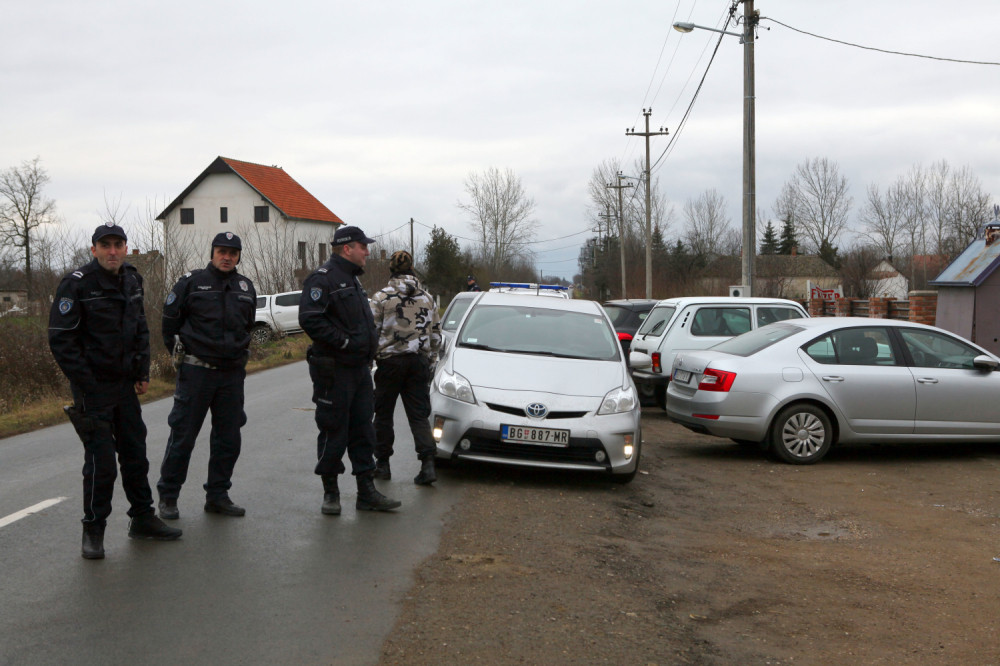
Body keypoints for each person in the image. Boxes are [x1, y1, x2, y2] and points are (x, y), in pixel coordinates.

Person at [48, 223, 182, 559]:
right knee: (101, 463)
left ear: (124, 248)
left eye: (118, 245)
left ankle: (142, 518)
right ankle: (93, 530)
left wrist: (141, 371)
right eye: (105, 245)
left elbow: (139, 328)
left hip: (124, 386)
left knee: (135, 454)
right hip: (92, 389)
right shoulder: (76, 284)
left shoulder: (132, 280)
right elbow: (62, 341)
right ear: (94, 249)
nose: (112, 251)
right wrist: (87, 384)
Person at [298, 225, 401, 515]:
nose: (367, 251)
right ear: (347, 248)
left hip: (359, 370)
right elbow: (310, 319)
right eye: (362, 246)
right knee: (333, 430)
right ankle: (331, 492)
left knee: (363, 430)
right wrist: (343, 342)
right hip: (334, 370)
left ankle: (366, 492)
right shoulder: (323, 279)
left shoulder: (353, 280)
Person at [156, 232, 256, 521]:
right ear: (212, 253)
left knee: (228, 439)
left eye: (232, 253)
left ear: (238, 257)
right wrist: (182, 357)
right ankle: (169, 496)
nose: (227, 257)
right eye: (222, 251)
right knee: (183, 436)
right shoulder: (191, 282)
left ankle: (218, 496)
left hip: (231, 375)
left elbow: (247, 326)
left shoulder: (245, 287)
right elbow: (169, 324)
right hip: (196, 372)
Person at [371, 251, 442, 485]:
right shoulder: (427, 299)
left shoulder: (381, 298)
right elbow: (436, 335)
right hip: (418, 363)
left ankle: (382, 465)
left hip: (390, 363)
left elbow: (372, 332)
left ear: (391, 270)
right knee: (419, 415)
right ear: (412, 269)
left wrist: (371, 359)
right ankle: (428, 465)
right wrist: (430, 361)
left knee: (383, 415)